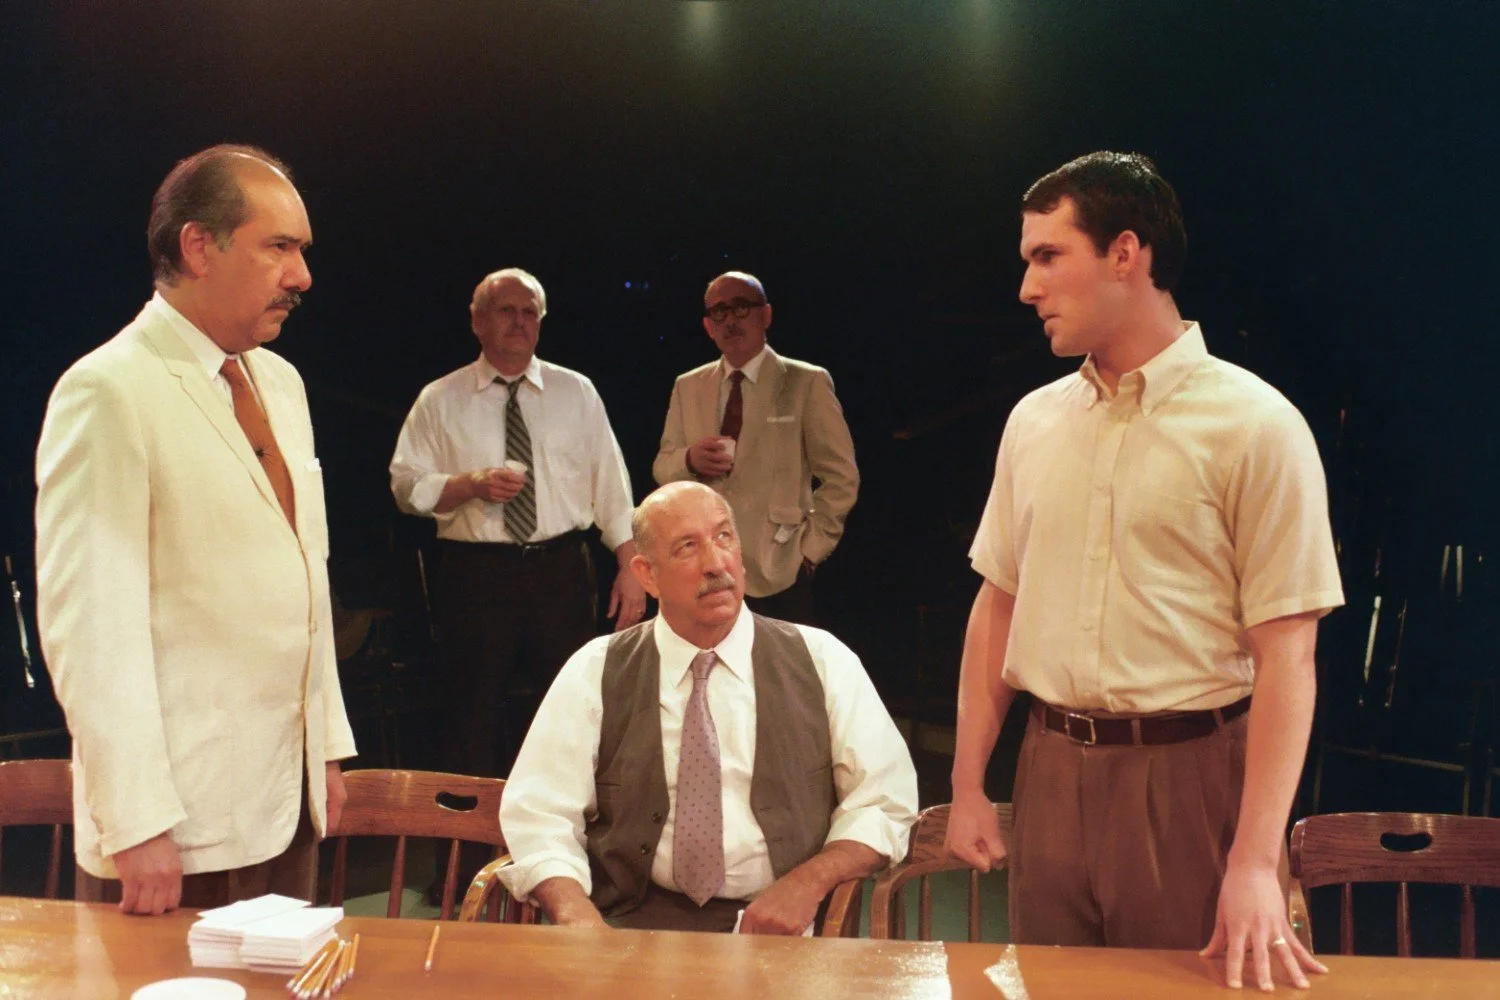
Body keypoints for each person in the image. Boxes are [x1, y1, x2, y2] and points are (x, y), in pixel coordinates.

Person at [944, 152, 1344, 991]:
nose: (1027, 287)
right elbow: (998, 603)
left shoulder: (1256, 425)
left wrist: (1254, 861)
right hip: (1050, 768)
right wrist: (968, 780)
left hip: (1189, 777)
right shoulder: (1034, 422)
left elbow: (1288, 658)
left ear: (1125, 253)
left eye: (1048, 256)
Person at [35, 144, 356, 915]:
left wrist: (327, 750)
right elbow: (91, 632)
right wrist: (135, 821)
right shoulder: (109, 389)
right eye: (279, 247)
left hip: (287, 804)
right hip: (179, 828)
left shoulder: (281, 383)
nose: (302, 276)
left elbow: (305, 575)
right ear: (198, 247)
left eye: (302, 250)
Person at [498, 481, 917, 933]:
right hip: (626, 925)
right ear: (647, 574)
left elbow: (884, 801)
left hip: (782, 928)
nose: (716, 564)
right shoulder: (596, 668)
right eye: (687, 547)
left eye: (724, 538)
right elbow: (540, 811)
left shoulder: (822, 660)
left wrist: (808, 882)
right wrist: (575, 914)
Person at [389, 268, 646, 789]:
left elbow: (612, 487)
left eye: (530, 312)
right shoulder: (441, 398)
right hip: (477, 573)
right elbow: (405, 486)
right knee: (469, 718)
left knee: (575, 709)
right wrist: (467, 484)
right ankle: (467, 836)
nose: (519, 321)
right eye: (506, 310)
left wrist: (631, 567)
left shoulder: (576, 391)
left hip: (560, 569)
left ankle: (577, 830)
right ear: (477, 322)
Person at [652, 272, 858, 626]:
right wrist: (689, 459)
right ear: (708, 326)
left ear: (766, 315)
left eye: (741, 307)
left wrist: (810, 550)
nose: (730, 320)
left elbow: (841, 477)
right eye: (719, 311)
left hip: (779, 565)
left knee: (780, 662)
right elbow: (662, 467)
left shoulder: (805, 381)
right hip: (706, 569)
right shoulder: (688, 386)